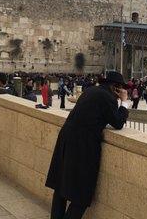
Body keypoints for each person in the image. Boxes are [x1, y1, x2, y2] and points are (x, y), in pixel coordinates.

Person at [46, 71, 129, 219]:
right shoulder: (108, 97)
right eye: (121, 88)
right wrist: (124, 102)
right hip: (82, 145)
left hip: (67, 137)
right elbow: (117, 122)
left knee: (61, 186)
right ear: (115, 87)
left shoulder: (91, 90)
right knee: (82, 192)